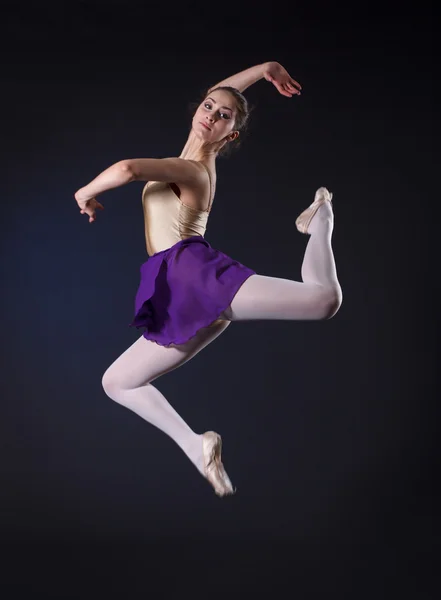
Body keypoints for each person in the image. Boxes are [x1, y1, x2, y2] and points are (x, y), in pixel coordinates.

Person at [74, 61, 343, 497]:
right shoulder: (188, 151)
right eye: (207, 107)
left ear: (229, 135)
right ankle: (195, 445)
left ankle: (321, 218)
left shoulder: (195, 169)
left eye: (222, 117)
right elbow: (223, 92)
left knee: (324, 300)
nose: (211, 115)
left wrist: (85, 192)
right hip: (175, 282)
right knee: (118, 382)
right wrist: (267, 69)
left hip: (192, 273)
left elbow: (126, 169)